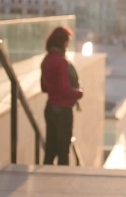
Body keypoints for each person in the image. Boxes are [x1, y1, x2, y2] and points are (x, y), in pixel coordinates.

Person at [41, 26, 83, 165]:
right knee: (63, 151)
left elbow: (44, 87)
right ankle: (61, 181)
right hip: (63, 110)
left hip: (50, 108)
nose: (68, 44)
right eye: (68, 41)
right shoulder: (62, 62)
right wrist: (79, 93)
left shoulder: (46, 60)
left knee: (50, 150)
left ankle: (45, 179)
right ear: (63, 42)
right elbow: (65, 89)